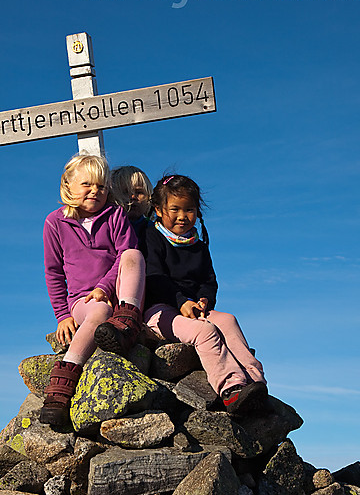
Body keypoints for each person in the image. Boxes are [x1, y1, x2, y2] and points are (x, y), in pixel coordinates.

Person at [143, 174, 268, 415]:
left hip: (194, 308)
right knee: (206, 331)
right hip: (159, 311)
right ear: (158, 210)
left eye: (189, 209)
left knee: (228, 320)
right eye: (175, 209)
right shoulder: (152, 238)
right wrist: (181, 302)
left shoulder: (197, 245)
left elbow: (208, 281)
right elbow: (155, 279)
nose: (182, 216)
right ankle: (231, 390)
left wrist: (204, 300)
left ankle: (255, 382)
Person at [41, 153, 146, 425]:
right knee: (98, 310)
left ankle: (126, 320)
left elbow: (126, 254)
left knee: (133, 256)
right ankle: (66, 375)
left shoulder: (115, 215)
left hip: (120, 294)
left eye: (101, 186)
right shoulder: (55, 222)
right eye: (87, 184)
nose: (95, 191)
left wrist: (105, 286)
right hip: (83, 300)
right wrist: (63, 316)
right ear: (68, 185)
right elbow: (53, 272)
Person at [110, 165, 153, 253]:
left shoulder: (154, 229)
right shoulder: (109, 228)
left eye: (139, 192)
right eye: (125, 192)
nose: (133, 197)